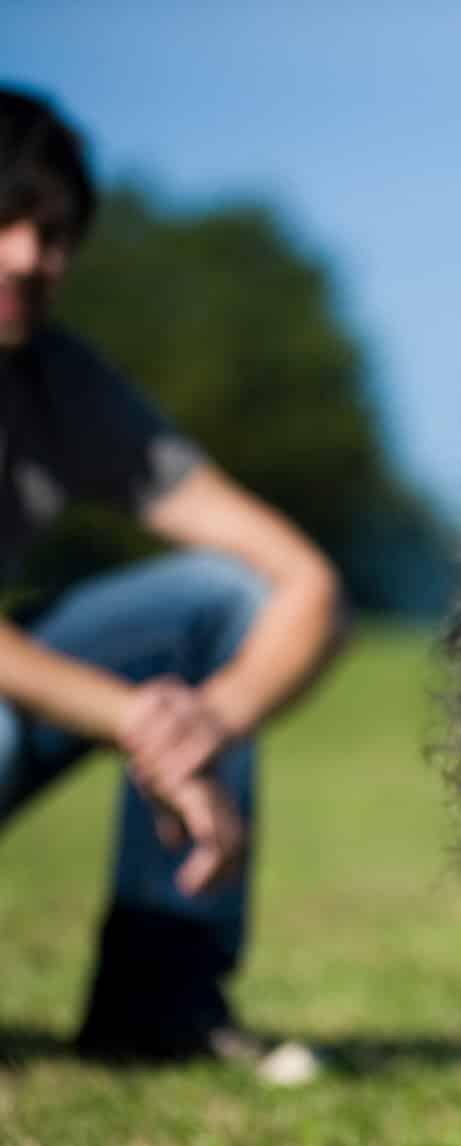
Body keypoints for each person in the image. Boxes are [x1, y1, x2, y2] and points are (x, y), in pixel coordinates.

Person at [0, 85, 345, 1060]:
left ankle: (161, 1004)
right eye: (5, 220)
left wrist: (209, 722)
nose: (29, 256)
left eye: (53, 232)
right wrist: (135, 721)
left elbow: (306, 587)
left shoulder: (59, 382)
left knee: (223, 601)